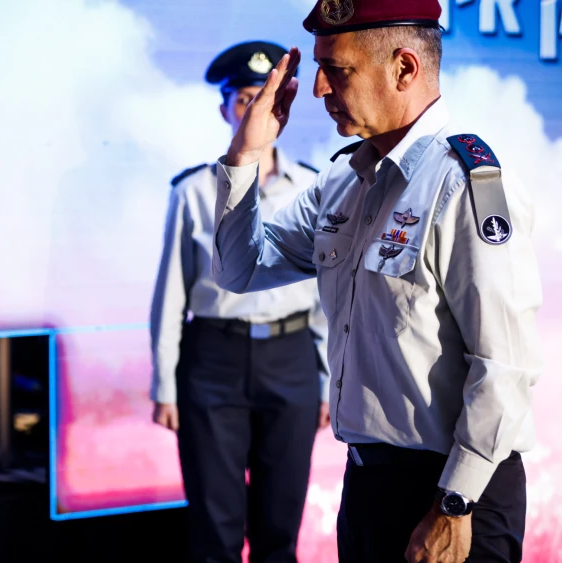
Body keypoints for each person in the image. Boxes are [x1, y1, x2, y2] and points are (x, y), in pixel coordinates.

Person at [211, 2, 543, 562]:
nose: (317, 89)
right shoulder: (342, 180)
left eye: (337, 70)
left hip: (454, 493)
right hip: (367, 486)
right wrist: (246, 154)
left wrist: (455, 504)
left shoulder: (466, 184)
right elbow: (238, 268)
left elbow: (505, 365)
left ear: (404, 69)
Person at [150, 40, 331, 563]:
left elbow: (325, 299)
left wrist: (323, 381)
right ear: (225, 108)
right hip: (213, 362)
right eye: (243, 100)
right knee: (214, 529)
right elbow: (170, 297)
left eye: (264, 100)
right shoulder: (192, 192)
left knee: (280, 529)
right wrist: (165, 385)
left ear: (282, 109)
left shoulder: (314, 189)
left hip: (292, 357)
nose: (253, 112)